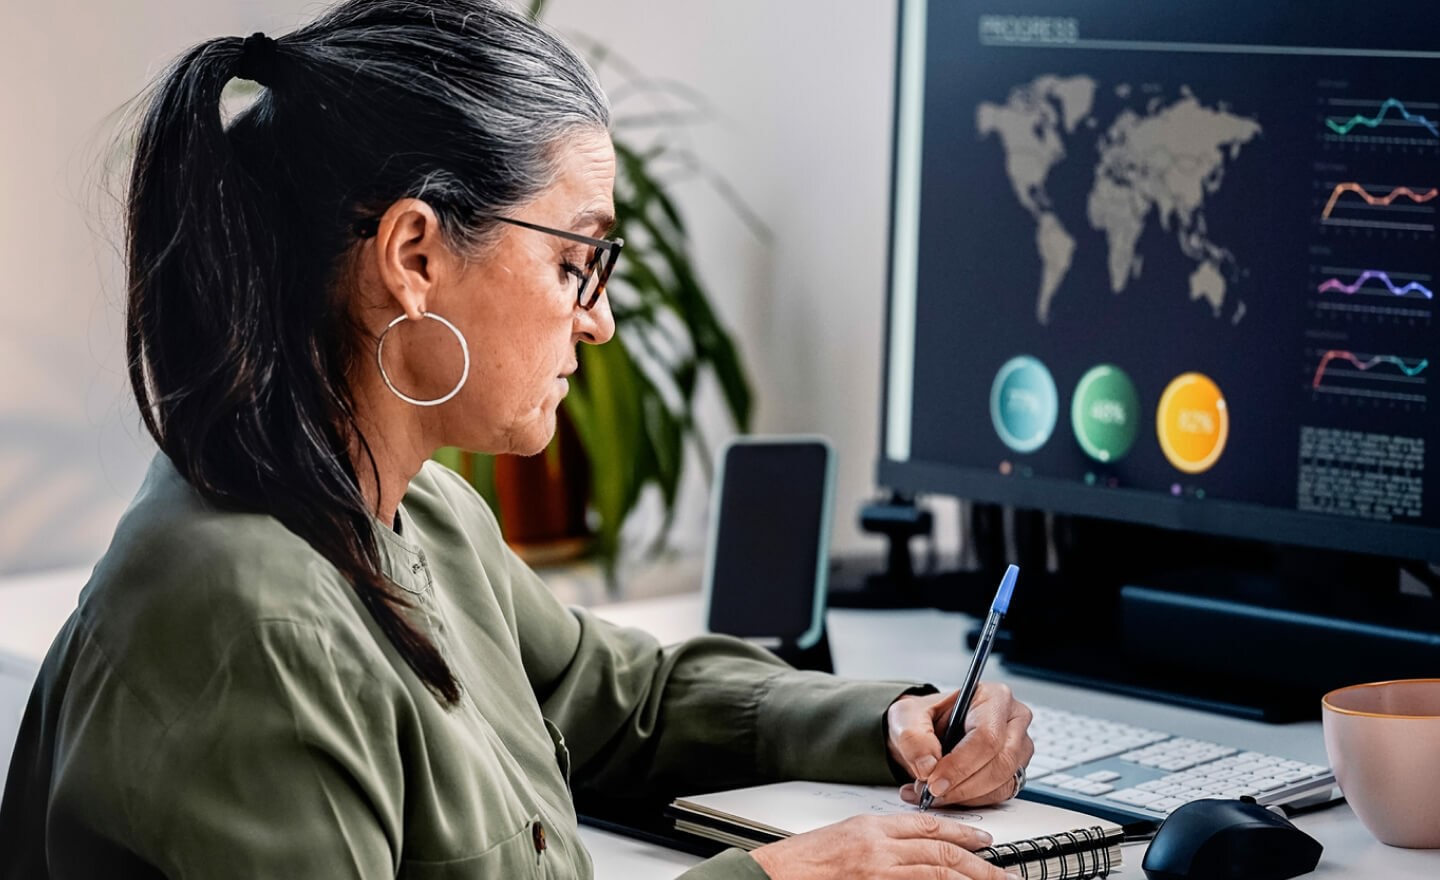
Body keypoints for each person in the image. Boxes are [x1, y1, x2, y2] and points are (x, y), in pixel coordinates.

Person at [0, 1, 1034, 877]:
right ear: (415, 254)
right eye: (577, 258)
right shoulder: (248, 620)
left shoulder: (419, 514)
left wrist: (889, 720)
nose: (600, 318)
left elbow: (623, 700)